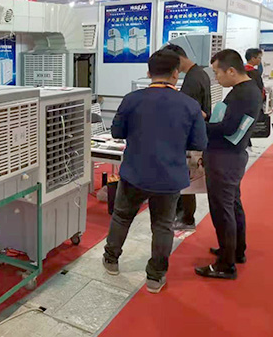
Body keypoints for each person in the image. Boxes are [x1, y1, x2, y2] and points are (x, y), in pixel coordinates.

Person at [103, 50, 207, 294]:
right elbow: (199, 143)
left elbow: (117, 132)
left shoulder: (132, 99)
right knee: (162, 225)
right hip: (169, 176)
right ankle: (155, 277)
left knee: (121, 217)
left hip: (134, 172)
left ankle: (111, 260)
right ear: (176, 74)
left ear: (149, 73)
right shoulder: (189, 105)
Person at [195, 50, 263, 280]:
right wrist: (208, 119)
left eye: (217, 73)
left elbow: (228, 128)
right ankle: (235, 251)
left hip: (225, 157)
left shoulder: (244, 93)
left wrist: (199, 125)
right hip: (230, 155)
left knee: (222, 210)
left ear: (231, 71)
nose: (216, 78)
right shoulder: (246, 90)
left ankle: (225, 265)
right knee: (232, 205)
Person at [167, 44, 212, 231]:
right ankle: (183, 215)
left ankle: (186, 218)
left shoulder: (193, 79)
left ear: (179, 59)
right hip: (195, 133)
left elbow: (186, 111)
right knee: (187, 180)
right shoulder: (200, 73)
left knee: (187, 182)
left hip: (189, 138)